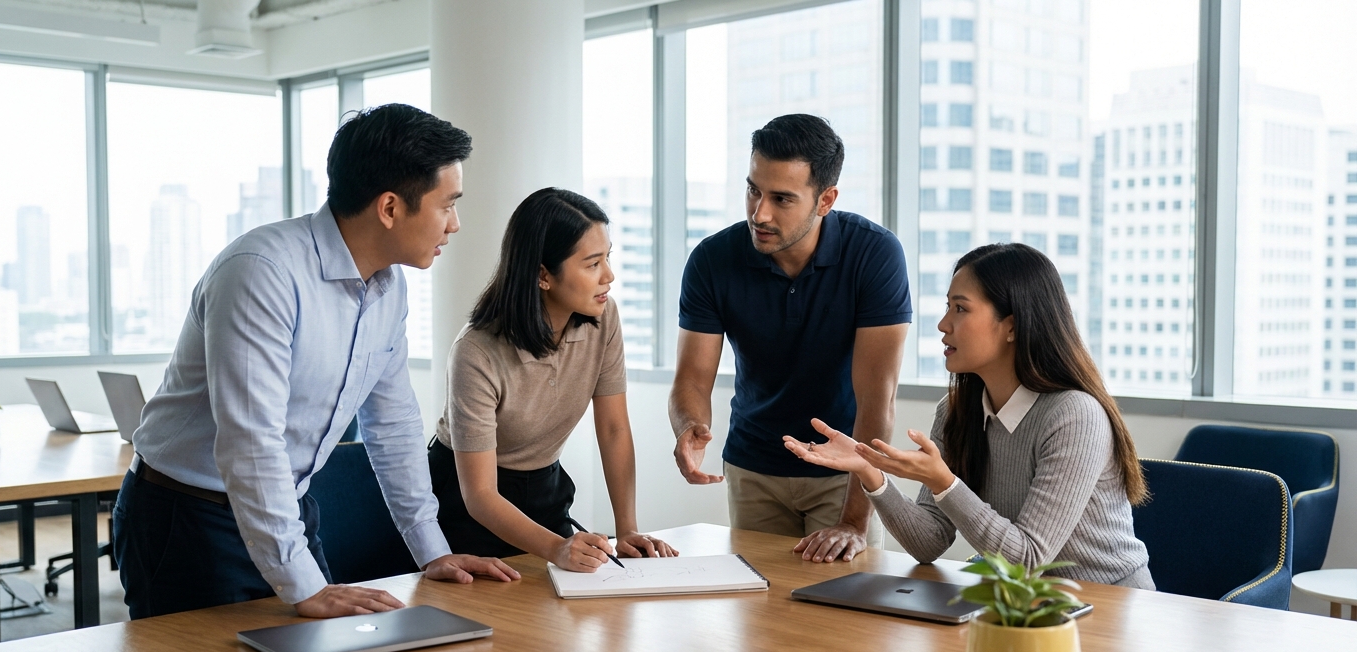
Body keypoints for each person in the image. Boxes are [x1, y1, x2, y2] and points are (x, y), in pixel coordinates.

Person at [114, 104, 519, 621]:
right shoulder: (262, 272)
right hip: (189, 515)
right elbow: (251, 441)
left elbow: (393, 424)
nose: (456, 224)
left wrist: (432, 551)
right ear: (390, 208)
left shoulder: (388, 289)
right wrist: (305, 586)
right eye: (448, 205)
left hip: (288, 508)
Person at [784, 243, 1155, 588]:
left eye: (960, 308)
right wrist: (870, 472)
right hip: (1019, 604)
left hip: (1109, 603)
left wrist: (945, 483)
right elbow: (929, 542)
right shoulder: (956, 411)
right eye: (947, 307)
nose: (944, 324)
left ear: (1011, 325)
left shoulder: (1074, 415)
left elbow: (1027, 558)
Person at [669, 113, 911, 564]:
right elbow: (692, 379)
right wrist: (688, 426)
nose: (760, 213)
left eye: (782, 198)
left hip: (844, 473)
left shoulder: (875, 254)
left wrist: (855, 521)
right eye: (753, 190)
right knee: (761, 621)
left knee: (846, 624)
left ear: (826, 200)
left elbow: (878, 397)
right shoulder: (711, 260)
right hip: (752, 467)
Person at [431, 187, 677, 572]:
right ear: (543, 274)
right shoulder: (475, 352)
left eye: (607, 257)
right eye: (592, 263)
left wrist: (626, 531)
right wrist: (557, 547)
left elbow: (613, 428)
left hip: (545, 489)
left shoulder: (603, 317)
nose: (609, 276)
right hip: (466, 505)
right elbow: (479, 494)